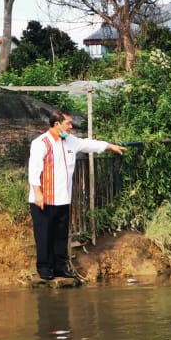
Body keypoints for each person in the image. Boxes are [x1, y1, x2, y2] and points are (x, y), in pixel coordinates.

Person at [28, 109, 125, 280]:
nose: (71, 126)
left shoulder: (70, 141)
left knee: (60, 235)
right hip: (44, 198)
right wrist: (37, 193)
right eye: (68, 123)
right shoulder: (41, 143)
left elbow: (88, 144)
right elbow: (34, 170)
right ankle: (44, 268)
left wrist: (109, 146)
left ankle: (60, 266)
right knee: (44, 235)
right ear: (57, 124)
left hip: (63, 198)